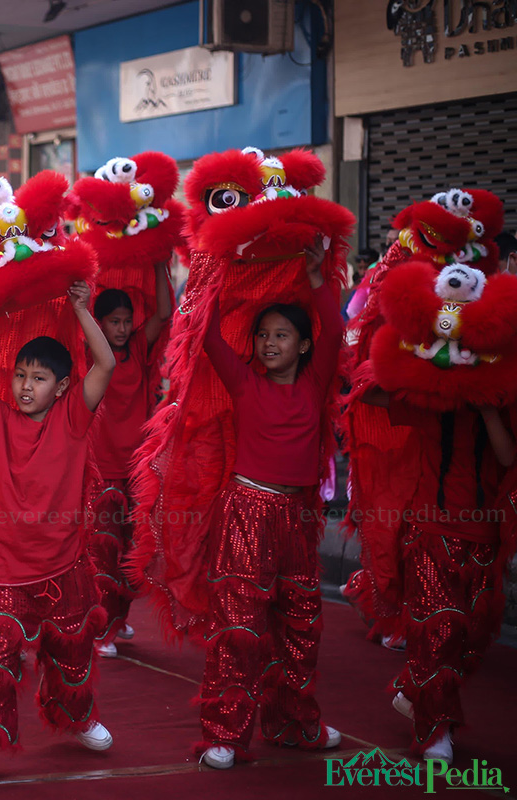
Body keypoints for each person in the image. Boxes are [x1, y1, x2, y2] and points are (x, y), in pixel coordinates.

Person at [0, 281, 116, 792]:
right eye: (20, 375)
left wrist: (82, 310)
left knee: (73, 651)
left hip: (62, 564)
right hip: (1, 568)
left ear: (61, 387)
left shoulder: (73, 417)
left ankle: (76, 715)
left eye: (38, 378)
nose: (25, 386)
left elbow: (105, 366)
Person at [197, 238, 344, 769]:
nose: (267, 343)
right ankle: (224, 734)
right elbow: (209, 337)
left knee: (301, 623)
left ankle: (295, 723)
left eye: (281, 335)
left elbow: (337, 330)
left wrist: (317, 276)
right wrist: (214, 275)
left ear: (304, 346)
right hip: (247, 510)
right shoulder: (243, 383)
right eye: (261, 335)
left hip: (301, 517)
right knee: (239, 624)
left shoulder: (315, 382)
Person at [358, 388, 513, 763]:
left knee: (473, 635)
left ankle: (414, 692)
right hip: (430, 530)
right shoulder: (432, 399)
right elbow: (371, 395)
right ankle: (434, 728)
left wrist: (489, 411)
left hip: (483, 535)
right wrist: (417, 365)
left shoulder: (503, 400)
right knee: (437, 633)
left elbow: (508, 456)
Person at [88, 262, 172, 656]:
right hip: (101, 469)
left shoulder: (138, 347)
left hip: (136, 471)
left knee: (131, 551)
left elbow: (164, 314)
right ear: (99, 325)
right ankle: (101, 626)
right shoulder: (90, 355)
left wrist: (157, 258)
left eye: (125, 321)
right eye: (113, 322)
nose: (121, 329)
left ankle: (117, 619)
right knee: (103, 551)